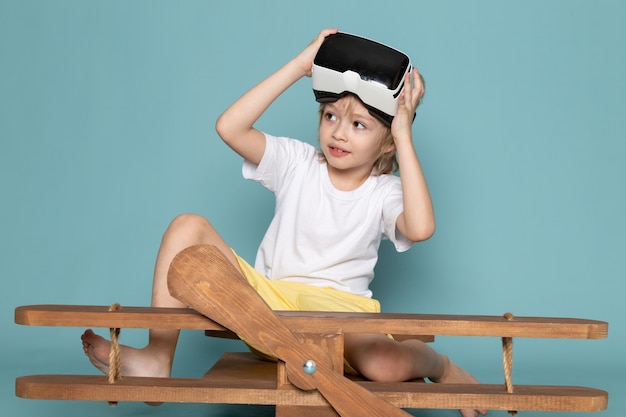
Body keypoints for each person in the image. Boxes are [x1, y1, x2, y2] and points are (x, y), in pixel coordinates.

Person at [81, 28, 486, 417]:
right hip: (267, 312)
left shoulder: (384, 191)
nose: (339, 133)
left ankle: (439, 363)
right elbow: (229, 127)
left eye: (359, 124)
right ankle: (156, 358)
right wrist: (298, 66)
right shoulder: (297, 163)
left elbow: (420, 228)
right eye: (330, 116)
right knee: (186, 225)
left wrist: (404, 133)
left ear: (386, 141)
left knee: (382, 363)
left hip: (341, 318)